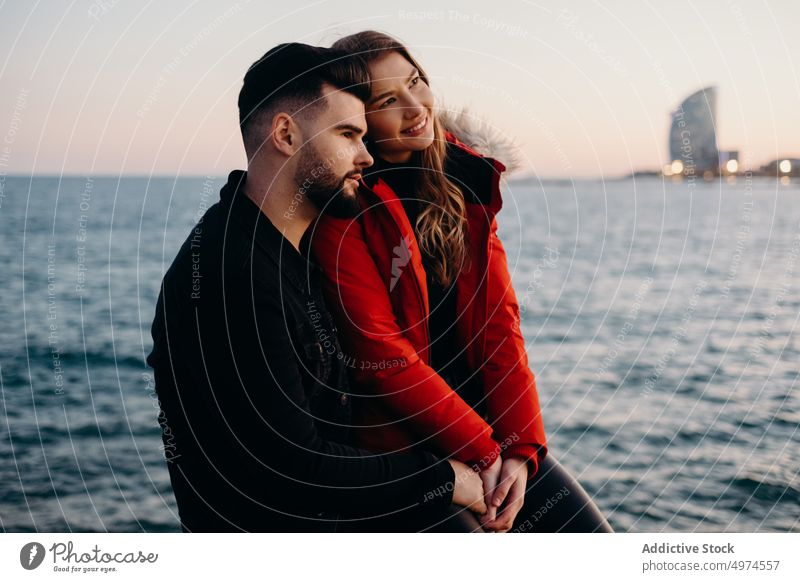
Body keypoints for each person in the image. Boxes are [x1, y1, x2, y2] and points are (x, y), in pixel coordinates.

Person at [146, 42, 487, 532]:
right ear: (286, 133)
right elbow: (291, 470)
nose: (367, 156)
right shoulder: (230, 274)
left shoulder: (293, 251)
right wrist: (444, 478)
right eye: (348, 134)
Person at [310, 31, 613, 532]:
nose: (416, 108)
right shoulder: (342, 206)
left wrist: (520, 448)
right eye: (389, 100)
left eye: (416, 83)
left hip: (486, 432)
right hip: (403, 449)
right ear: (360, 119)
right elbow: (380, 356)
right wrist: (484, 450)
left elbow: (501, 326)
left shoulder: (465, 183)